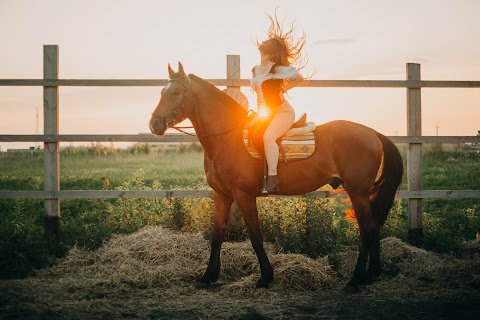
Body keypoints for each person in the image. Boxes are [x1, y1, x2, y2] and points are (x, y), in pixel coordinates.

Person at [251, 13, 306, 192]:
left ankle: (272, 179)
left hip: (282, 111)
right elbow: (259, 95)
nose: (261, 51)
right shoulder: (255, 70)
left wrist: (283, 89)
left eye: (264, 50)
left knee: (268, 137)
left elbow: (299, 78)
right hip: (264, 112)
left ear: (271, 54)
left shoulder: (277, 70)